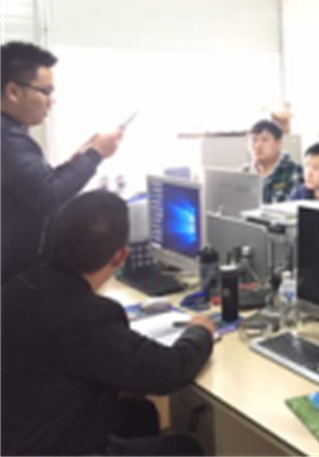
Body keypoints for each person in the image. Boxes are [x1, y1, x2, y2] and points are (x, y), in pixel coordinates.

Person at [0, 190, 214, 456]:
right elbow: (171, 370)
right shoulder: (87, 316)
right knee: (186, 449)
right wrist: (200, 330)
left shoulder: (18, 286)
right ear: (120, 256)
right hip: (51, 446)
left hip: (18, 432)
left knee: (140, 414)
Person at [0, 41, 123, 284]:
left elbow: (34, 185)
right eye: (45, 91)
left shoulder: (12, 133)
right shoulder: (6, 137)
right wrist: (95, 154)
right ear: (13, 91)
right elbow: (47, 196)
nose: (51, 101)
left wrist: (75, 163)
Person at [242, 119, 302, 203]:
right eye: (254, 140)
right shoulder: (244, 172)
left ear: (279, 143)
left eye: (264, 140)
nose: (258, 145)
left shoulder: (294, 171)